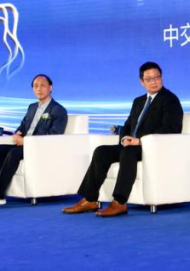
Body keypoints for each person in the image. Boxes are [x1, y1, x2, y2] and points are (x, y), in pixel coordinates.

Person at [63, 62, 183, 217]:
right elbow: (127, 125)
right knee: (101, 151)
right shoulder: (138, 101)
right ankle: (89, 199)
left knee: (128, 152)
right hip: (134, 145)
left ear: (162, 78)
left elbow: (170, 129)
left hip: (154, 147)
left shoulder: (170, 100)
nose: (153, 81)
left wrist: (140, 141)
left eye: (156, 77)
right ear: (142, 82)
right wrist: (124, 138)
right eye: (149, 79)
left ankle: (119, 202)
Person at [0, 74, 68, 208]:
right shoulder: (32, 107)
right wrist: (18, 133)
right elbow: (23, 126)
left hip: (40, 147)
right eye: (35, 86)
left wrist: (27, 142)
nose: (39, 89)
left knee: (13, 154)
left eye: (43, 85)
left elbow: (54, 136)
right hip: (24, 145)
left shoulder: (58, 110)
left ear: (50, 88)